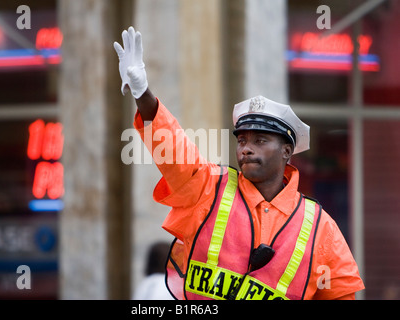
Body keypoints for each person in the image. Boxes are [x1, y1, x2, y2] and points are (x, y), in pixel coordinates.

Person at [114, 26, 364, 300]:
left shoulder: (320, 228)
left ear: (286, 151)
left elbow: (341, 295)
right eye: (242, 140)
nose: (246, 149)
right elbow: (173, 149)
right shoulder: (208, 187)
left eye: (260, 141)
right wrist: (143, 93)